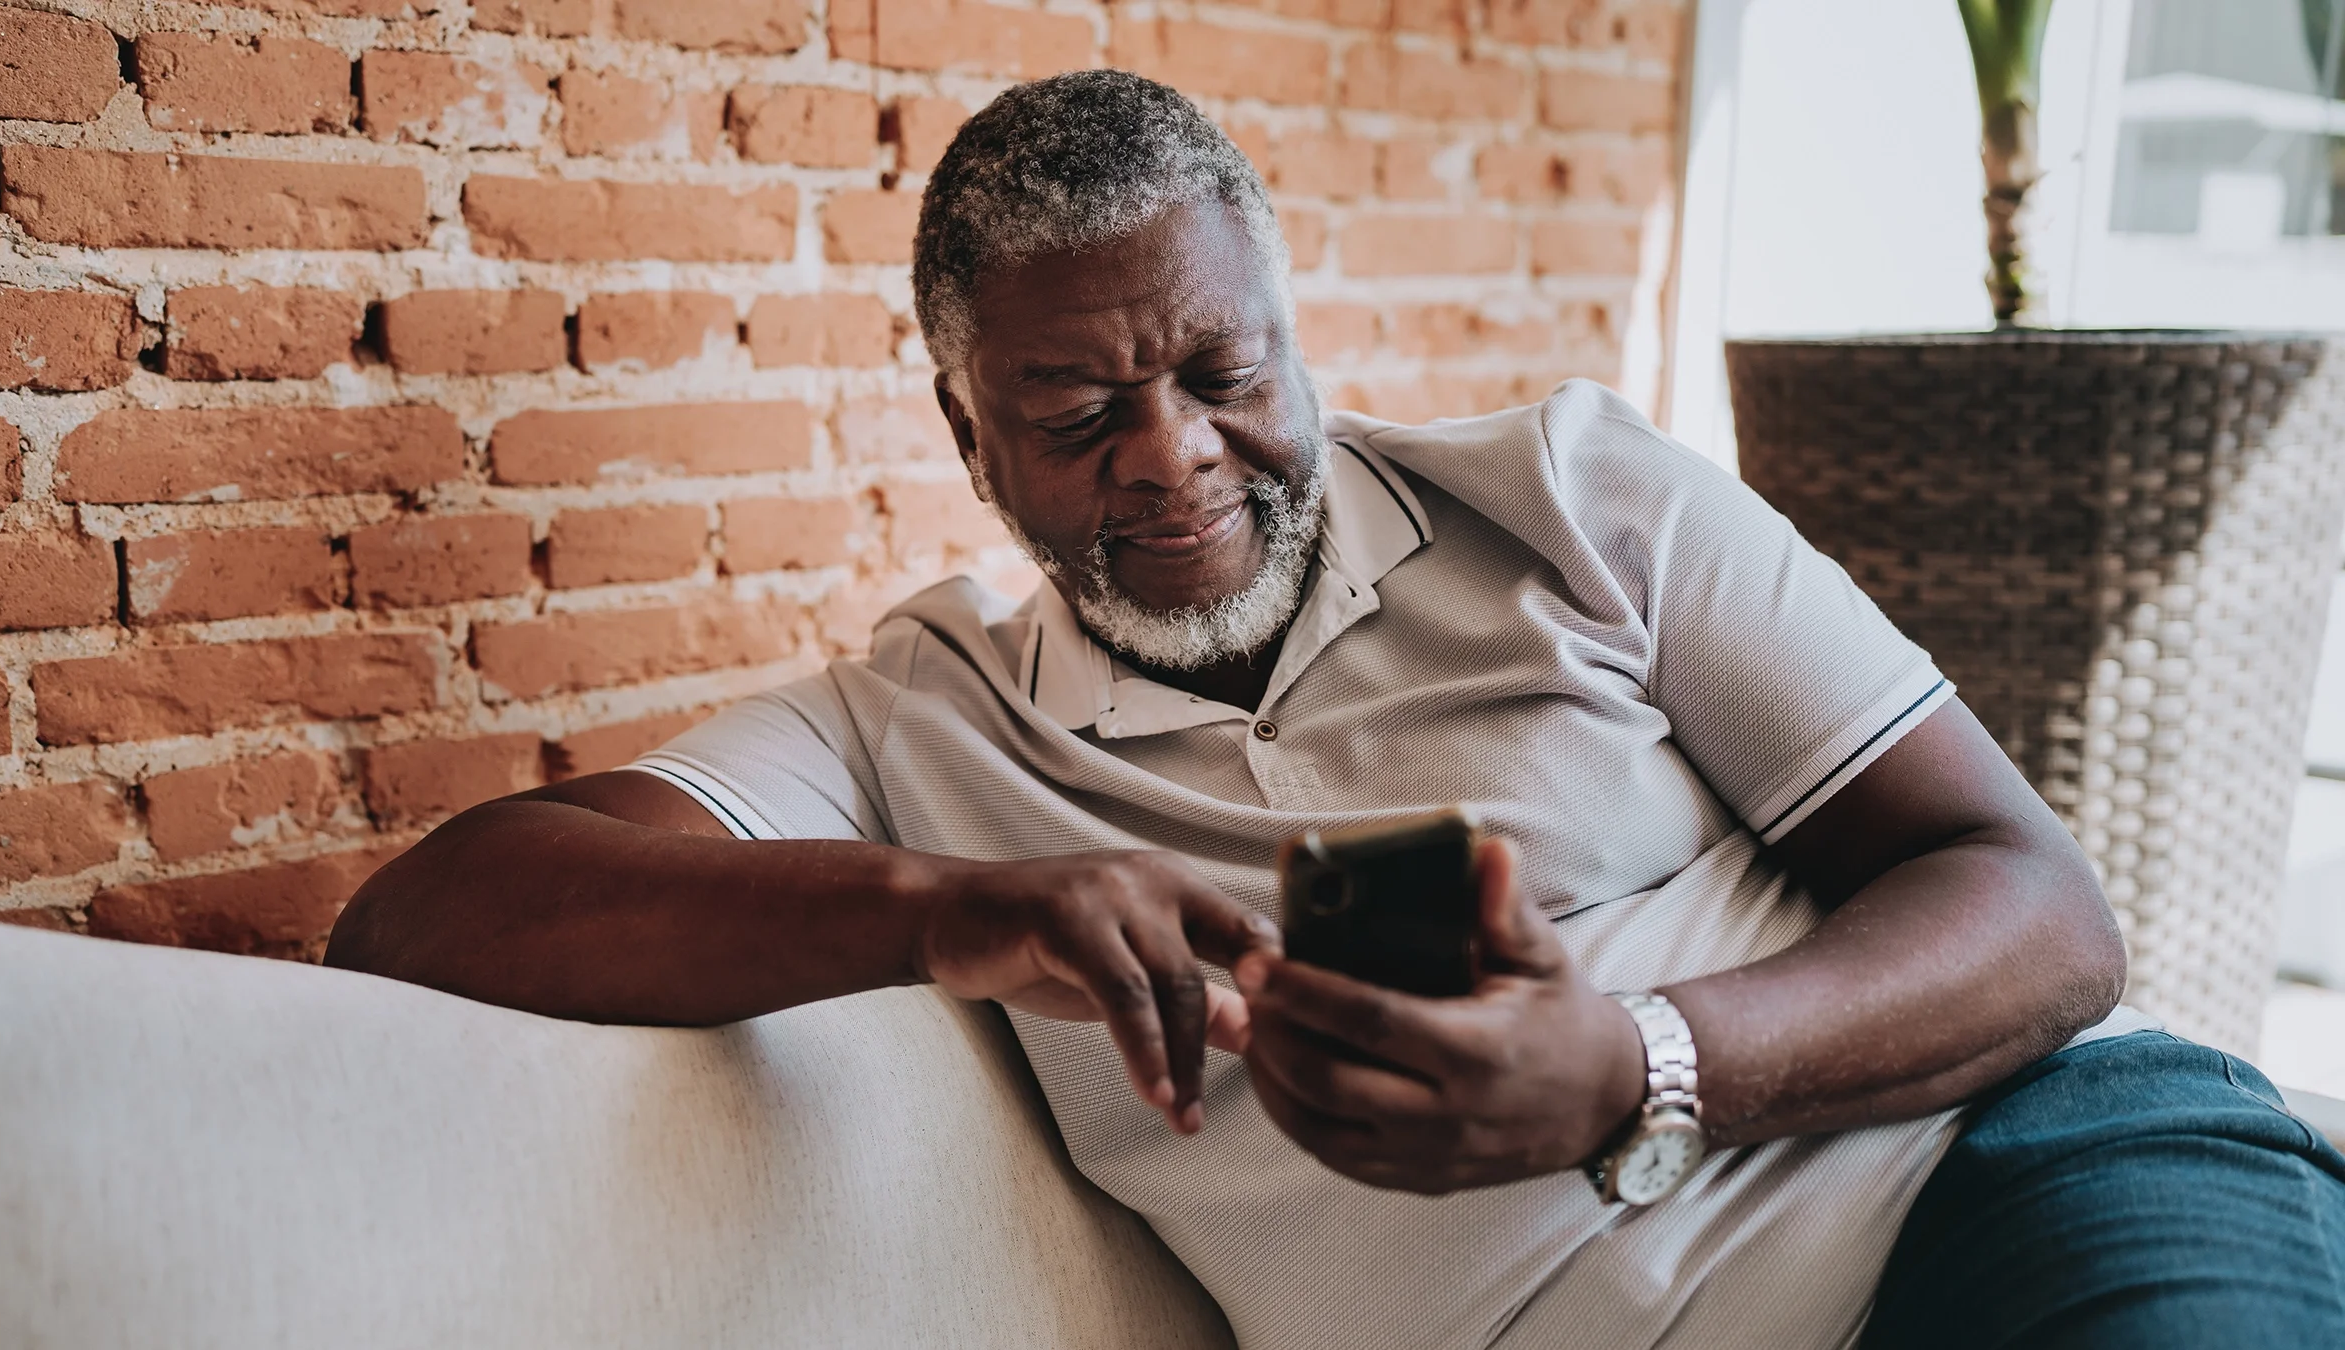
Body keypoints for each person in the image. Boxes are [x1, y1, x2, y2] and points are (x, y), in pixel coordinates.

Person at [327, 70, 2345, 1349]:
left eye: (1222, 371)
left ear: (1293, 335)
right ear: (968, 433)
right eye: (1078, 408)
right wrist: (942, 911)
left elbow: (2041, 909)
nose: (1176, 456)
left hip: (2003, 1191)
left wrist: (1634, 1064)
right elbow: (425, 922)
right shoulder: (914, 722)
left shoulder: (1570, 495)